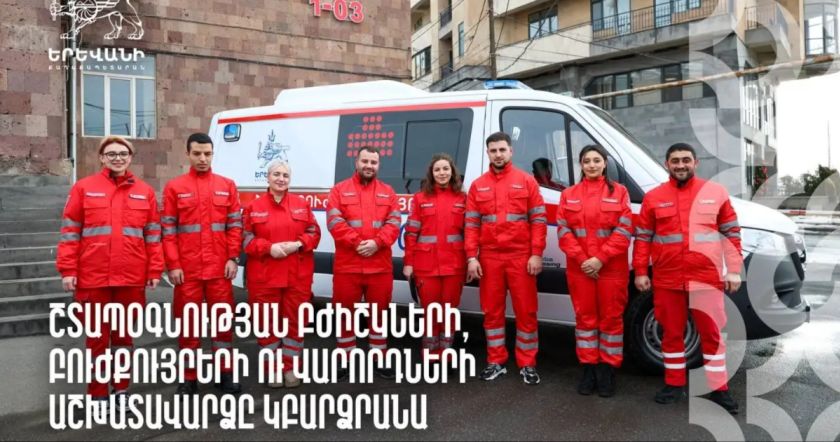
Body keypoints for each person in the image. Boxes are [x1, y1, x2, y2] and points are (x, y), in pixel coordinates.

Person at [632, 142, 742, 414]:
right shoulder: (654, 197)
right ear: (667, 164)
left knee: (712, 334)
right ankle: (674, 384)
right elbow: (643, 237)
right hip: (668, 278)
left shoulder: (715, 193)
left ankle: (719, 388)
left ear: (695, 162)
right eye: (675, 161)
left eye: (685, 160)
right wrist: (641, 271)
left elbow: (731, 232)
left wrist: (734, 269)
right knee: (671, 334)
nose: (680, 165)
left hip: (705, 277)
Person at [56, 136, 164, 409]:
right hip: (93, 278)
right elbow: (70, 233)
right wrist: (68, 270)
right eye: (112, 153)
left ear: (130, 157)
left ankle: (122, 389)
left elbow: (153, 236)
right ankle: (98, 393)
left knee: (124, 338)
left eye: (123, 153)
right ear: (102, 158)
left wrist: (154, 270)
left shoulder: (145, 192)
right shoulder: (84, 188)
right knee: (97, 339)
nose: (118, 158)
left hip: (131, 278)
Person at [161, 133, 243, 395]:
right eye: (197, 153)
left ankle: (225, 373)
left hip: (220, 269)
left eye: (207, 154)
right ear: (188, 154)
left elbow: (234, 226)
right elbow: (168, 230)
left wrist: (232, 257)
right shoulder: (175, 187)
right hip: (188, 271)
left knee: (223, 324)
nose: (203, 159)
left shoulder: (227, 185)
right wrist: (173, 265)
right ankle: (189, 378)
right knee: (188, 326)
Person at [465, 131, 547, 385]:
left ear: (511, 151)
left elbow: (538, 220)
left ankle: (527, 363)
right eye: (493, 150)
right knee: (492, 312)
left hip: (520, 257)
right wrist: (471, 257)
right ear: (488, 153)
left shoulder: (526, 181)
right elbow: (471, 224)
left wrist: (536, 254)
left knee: (526, 311)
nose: (498, 154)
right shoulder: (478, 185)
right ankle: (496, 361)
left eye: (502, 149)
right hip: (490, 258)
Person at [556, 145, 633, 397]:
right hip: (580, 270)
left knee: (611, 319)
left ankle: (607, 370)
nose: (591, 165)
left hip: (611, 269)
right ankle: (589, 369)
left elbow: (624, 230)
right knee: (585, 320)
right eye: (587, 161)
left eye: (596, 160)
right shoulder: (569, 194)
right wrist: (583, 260)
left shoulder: (620, 192)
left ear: (604, 163)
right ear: (581, 164)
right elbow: (563, 230)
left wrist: (600, 259)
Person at [242, 160, 321, 388]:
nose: (281, 179)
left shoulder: (301, 205)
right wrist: (269, 248)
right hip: (265, 277)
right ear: (267, 177)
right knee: (267, 324)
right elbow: (245, 239)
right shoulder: (254, 207)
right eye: (276, 174)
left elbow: (314, 232)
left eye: (285, 175)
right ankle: (273, 369)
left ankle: (291, 368)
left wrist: (298, 244)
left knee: (295, 323)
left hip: (297, 276)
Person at [326, 146, 401, 380]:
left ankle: (379, 358)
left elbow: (394, 223)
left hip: (379, 266)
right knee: (344, 314)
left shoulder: (388, 192)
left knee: (379, 315)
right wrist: (358, 243)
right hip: (348, 266)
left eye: (373, 162)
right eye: (365, 161)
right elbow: (334, 222)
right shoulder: (339, 190)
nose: (369, 166)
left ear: (378, 165)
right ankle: (344, 359)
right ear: (356, 162)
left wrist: (377, 243)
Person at [403, 154, 467, 362]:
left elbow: (470, 233)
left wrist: (471, 261)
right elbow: (411, 233)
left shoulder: (463, 198)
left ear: (452, 172)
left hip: (454, 265)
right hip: (426, 266)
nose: (442, 173)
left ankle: (446, 356)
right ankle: (430, 356)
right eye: (437, 169)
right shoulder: (420, 199)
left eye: (445, 169)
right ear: (431, 173)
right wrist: (408, 263)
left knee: (449, 312)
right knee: (430, 312)